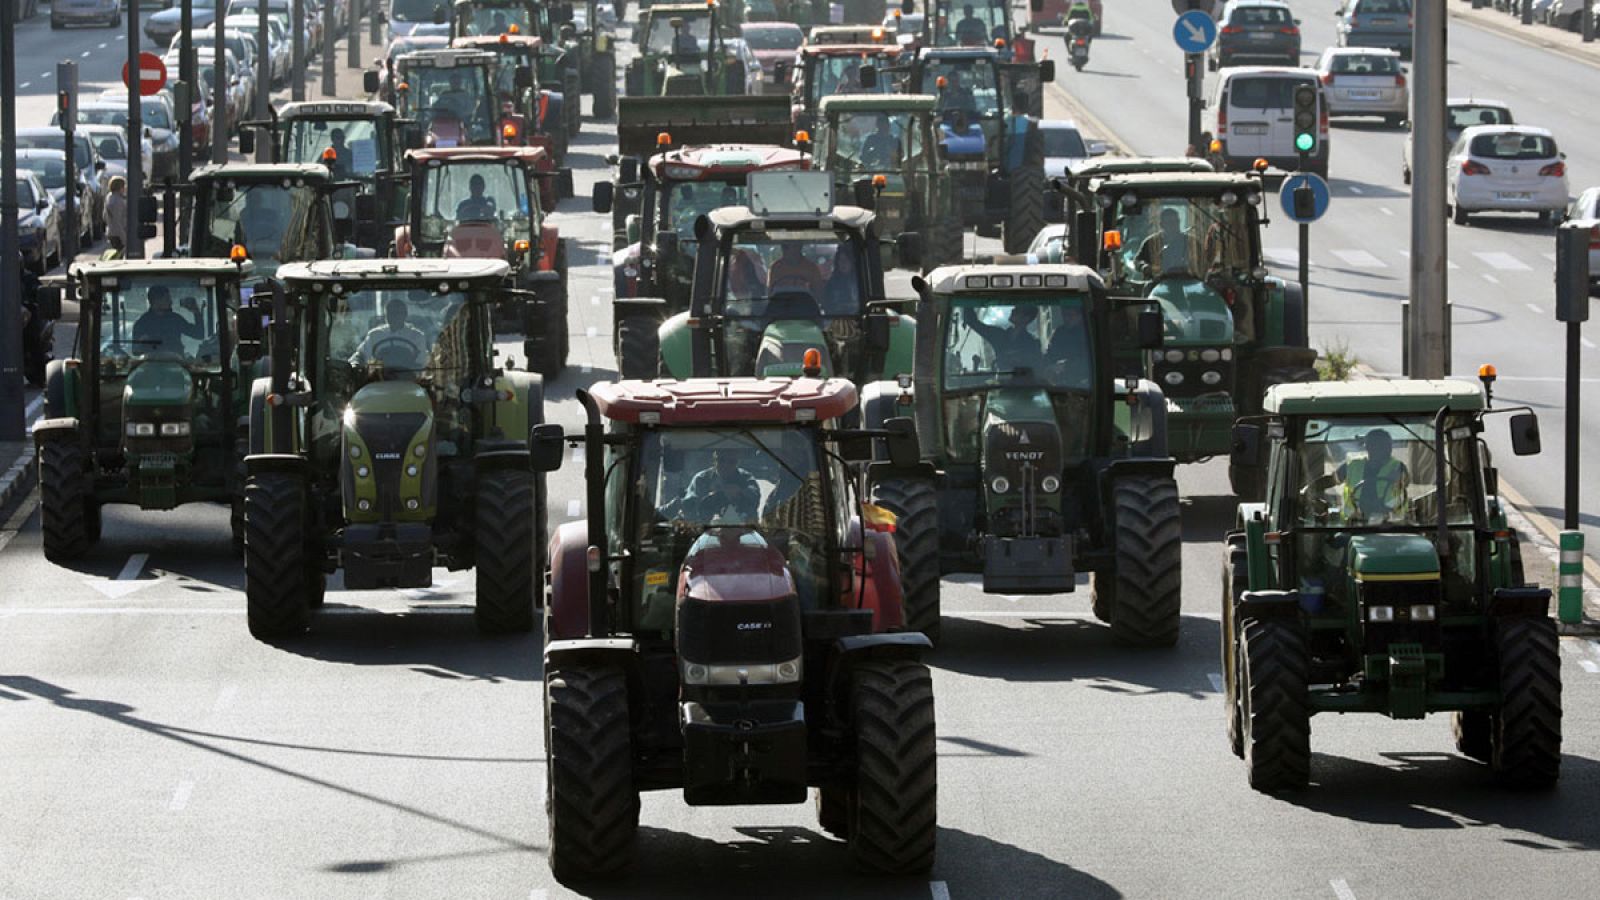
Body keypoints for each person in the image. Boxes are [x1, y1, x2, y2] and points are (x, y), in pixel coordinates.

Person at [1336, 429, 1409, 522]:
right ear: (1367, 447)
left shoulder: (1398, 467)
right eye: (1377, 445)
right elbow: (1331, 480)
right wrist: (1312, 490)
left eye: (1386, 445)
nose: (1384, 449)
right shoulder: (1351, 467)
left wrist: (1399, 478)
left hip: (1392, 526)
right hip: (1354, 524)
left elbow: (1406, 479)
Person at [668, 450, 761, 520]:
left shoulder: (745, 478)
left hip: (742, 531)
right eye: (721, 460)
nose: (726, 465)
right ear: (714, 460)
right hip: (706, 531)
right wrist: (710, 498)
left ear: (737, 462)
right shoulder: (702, 479)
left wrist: (740, 492)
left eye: (731, 462)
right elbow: (689, 507)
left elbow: (755, 497)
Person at [351, 296, 429, 367]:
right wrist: (355, 364)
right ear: (386, 315)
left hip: (408, 378)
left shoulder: (417, 337)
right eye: (391, 313)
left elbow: (421, 363)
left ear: (405, 314)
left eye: (398, 313)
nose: (394, 316)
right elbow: (361, 355)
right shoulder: (375, 335)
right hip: (379, 378)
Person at [963, 303, 1043, 370]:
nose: (1013, 310)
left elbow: (1037, 368)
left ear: (1026, 318)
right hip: (1002, 383)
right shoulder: (998, 335)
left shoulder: (1032, 344)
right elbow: (973, 322)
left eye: (1018, 310)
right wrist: (969, 302)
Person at [132, 285, 206, 354]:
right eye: (167, 299)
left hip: (178, 365)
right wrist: (142, 343)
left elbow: (199, 334)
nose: (171, 302)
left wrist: (196, 312)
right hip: (150, 365)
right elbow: (135, 352)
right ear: (156, 301)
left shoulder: (175, 320)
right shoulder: (141, 324)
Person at [1137, 207, 1190, 276]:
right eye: (1169, 222)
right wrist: (1143, 266)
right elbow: (1137, 261)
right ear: (1161, 224)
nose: (1173, 225)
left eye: (1175, 222)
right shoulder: (1151, 242)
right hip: (1158, 281)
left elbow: (1202, 262)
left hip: (1187, 281)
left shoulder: (1190, 242)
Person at [821, 244, 860, 315]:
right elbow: (827, 306)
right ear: (837, 262)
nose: (843, 263)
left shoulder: (860, 281)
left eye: (846, 260)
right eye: (841, 260)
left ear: (852, 262)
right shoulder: (831, 284)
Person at [104, 176, 127, 255]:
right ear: (119, 187)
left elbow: (104, 216)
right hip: (118, 235)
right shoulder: (118, 201)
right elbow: (117, 221)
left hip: (111, 232)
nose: (125, 189)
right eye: (123, 186)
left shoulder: (109, 197)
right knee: (119, 256)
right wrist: (124, 238)